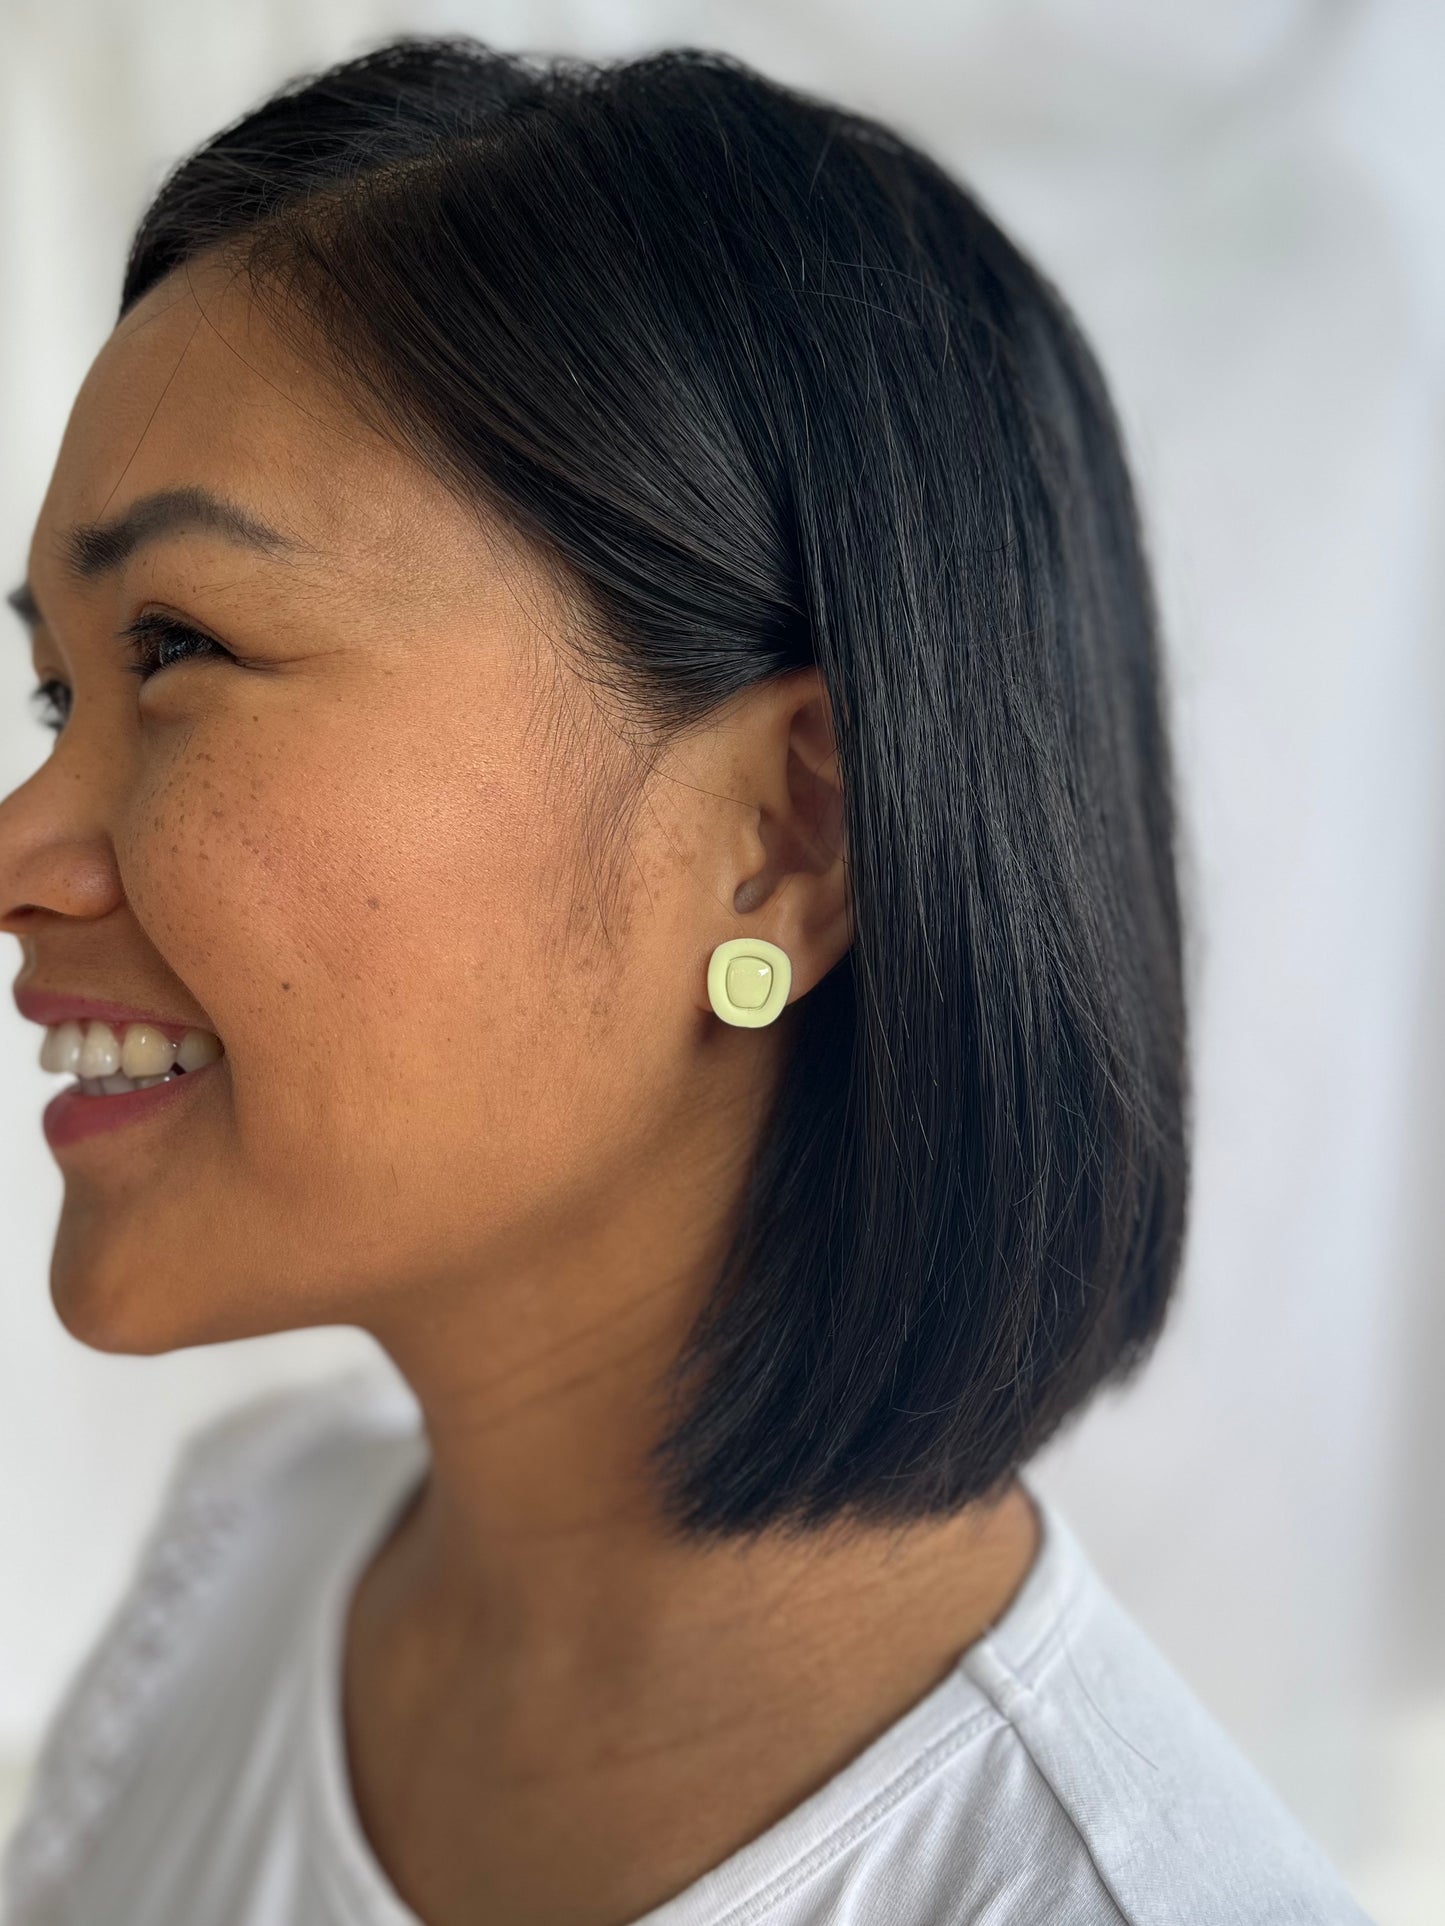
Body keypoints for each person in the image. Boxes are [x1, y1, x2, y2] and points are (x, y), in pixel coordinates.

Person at [0, 33, 1372, 1926]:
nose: (22, 847)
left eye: (176, 649)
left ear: (785, 835)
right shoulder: (247, 1560)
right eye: (59, 688)